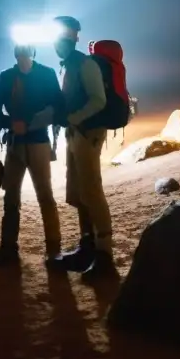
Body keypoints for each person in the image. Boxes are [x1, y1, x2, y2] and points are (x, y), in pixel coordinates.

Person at [0, 42, 65, 267]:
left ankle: (54, 249)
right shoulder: (7, 76)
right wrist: (10, 123)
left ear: (32, 52)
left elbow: (58, 106)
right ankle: (8, 248)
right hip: (15, 143)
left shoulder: (46, 74)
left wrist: (31, 123)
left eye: (26, 49)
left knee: (45, 196)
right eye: (19, 50)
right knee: (11, 197)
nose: (22, 53)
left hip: (38, 141)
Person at [52, 15, 116, 280]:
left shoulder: (85, 64)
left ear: (74, 37)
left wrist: (74, 119)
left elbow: (99, 100)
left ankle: (104, 256)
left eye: (64, 36)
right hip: (75, 134)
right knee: (78, 191)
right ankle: (86, 246)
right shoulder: (68, 64)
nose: (60, 42)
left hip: (88, 134)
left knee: (91, 191)